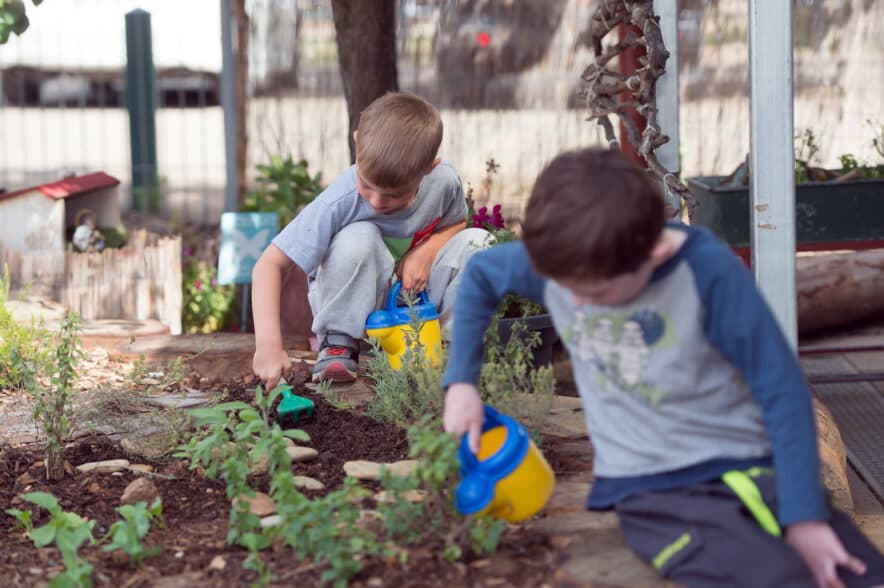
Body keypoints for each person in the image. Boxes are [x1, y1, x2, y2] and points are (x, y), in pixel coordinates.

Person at [442, 147, 884, 588]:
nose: (573, 301)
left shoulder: (706, 273)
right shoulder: (567, 260)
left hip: (747, 465)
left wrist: (805, 517)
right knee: (777, 576)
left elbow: (781, 389)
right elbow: (482, 273)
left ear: (653, 252)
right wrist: (461, 382)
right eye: (562, 284)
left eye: (595, 291)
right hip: (655, 491)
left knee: (860, 572)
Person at [252, 91, 492, 387]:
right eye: (366, 184)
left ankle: (448, 348)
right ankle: (338, 344)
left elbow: (458, 223)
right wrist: (268, 347)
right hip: (353, 302)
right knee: (358, 235)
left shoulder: (443, 182)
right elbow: (268, 264)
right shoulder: (339, 201)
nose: (377, 201)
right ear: (357, 141)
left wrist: (426, 251)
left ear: (428, 169)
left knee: (479, 244)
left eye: (395, 195)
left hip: (414, 299)